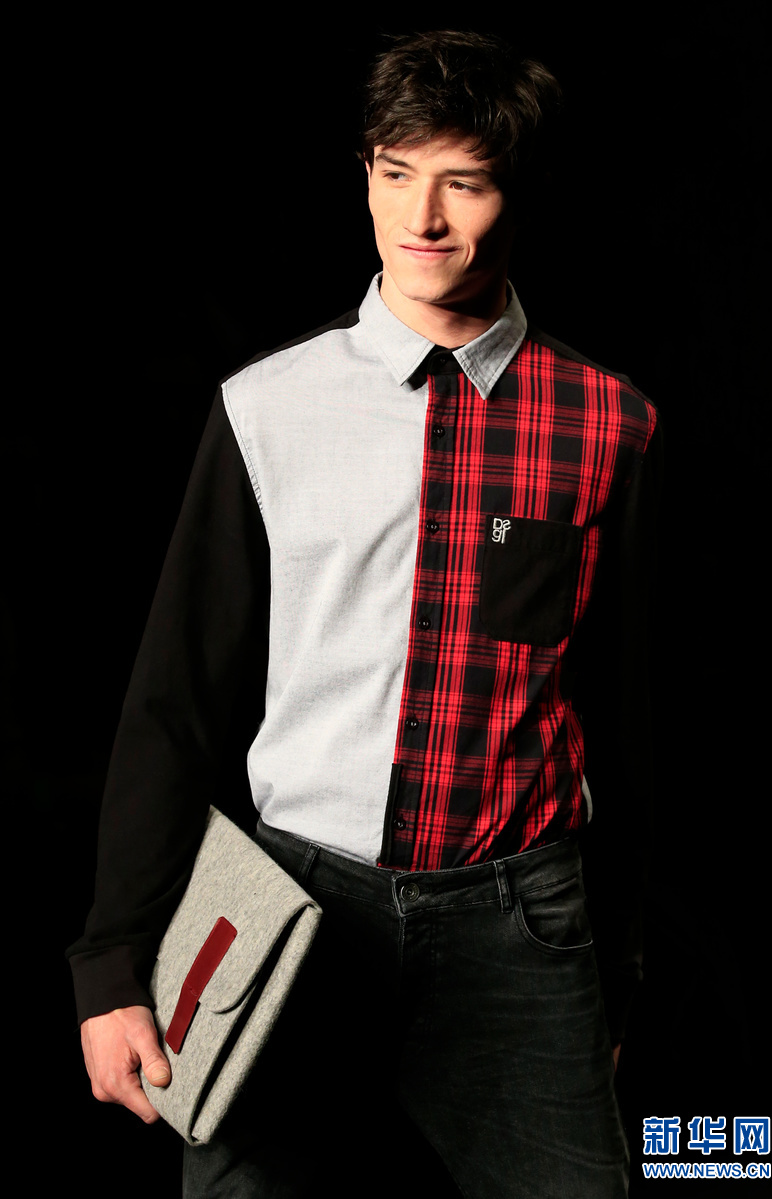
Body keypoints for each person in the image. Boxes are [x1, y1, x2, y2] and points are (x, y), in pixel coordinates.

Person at [70, 30, 662, 1198]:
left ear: (516, 191)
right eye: (396, 172)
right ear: (365, 172)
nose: (421, 217)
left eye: (463, 181)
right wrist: (112, 962)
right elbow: (177, 700)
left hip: (521, 925)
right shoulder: (269, 408)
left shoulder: (609, 425)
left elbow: (624, 715)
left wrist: (618, 976)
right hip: (290, 904)